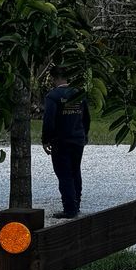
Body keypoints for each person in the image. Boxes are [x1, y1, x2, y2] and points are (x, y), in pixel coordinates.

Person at [41, 70, 90, 219]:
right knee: (75, 171)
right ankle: (76, 204)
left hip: (61, 141)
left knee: (64, 174)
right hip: (78, 138)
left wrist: (46, 139)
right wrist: (84, 134)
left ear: (55, 78)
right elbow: (86, 117)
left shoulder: (53, 96)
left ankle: (69, 208)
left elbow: (49, 120)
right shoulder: (79, 94)